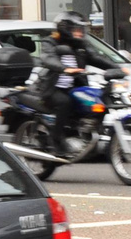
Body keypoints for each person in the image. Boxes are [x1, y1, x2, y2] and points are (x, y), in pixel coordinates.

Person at [33, 12, 117, 154]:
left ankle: (85, 134)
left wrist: (117, 68)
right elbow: (48, 58)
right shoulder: (50, 42)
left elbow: (96, 58)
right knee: (65, 102)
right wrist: (64, 69)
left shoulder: (81, 45)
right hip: (53, 88)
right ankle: (56, 139)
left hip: (74, 87)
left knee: (98, 101)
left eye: (81, 29)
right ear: (65, 28)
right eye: (76, 29)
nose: (80, 33)